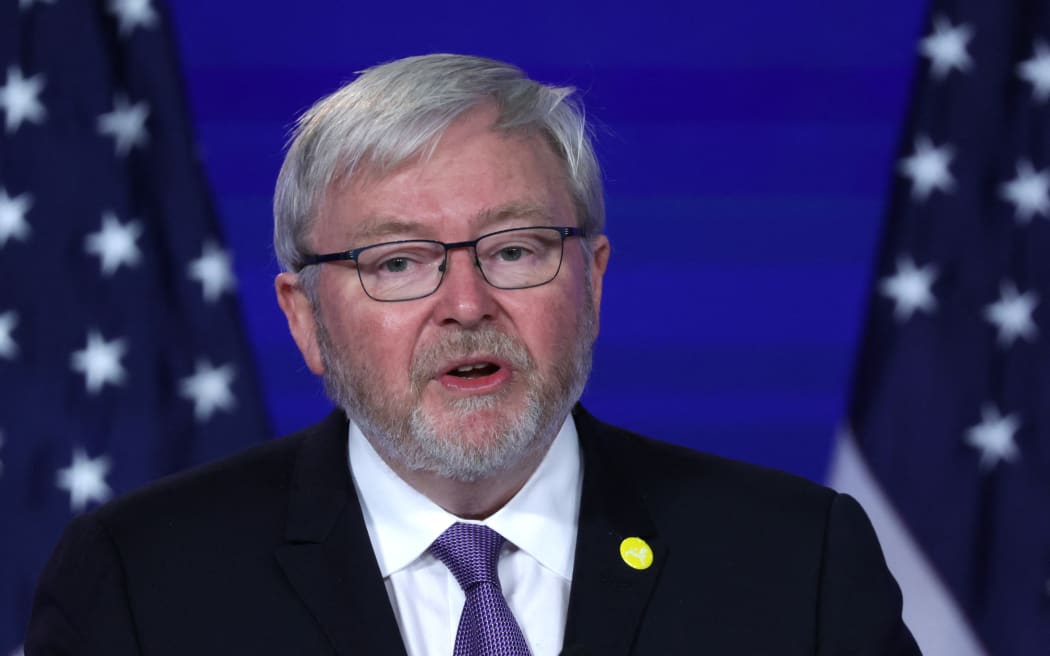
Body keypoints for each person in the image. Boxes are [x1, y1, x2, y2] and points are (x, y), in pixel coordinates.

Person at [26, 54, 920, 655]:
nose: (465, 305)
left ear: (594, 281)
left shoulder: (797, 562)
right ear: (304, 320)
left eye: (517, 249)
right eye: (399, 262)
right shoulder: (141, 584)